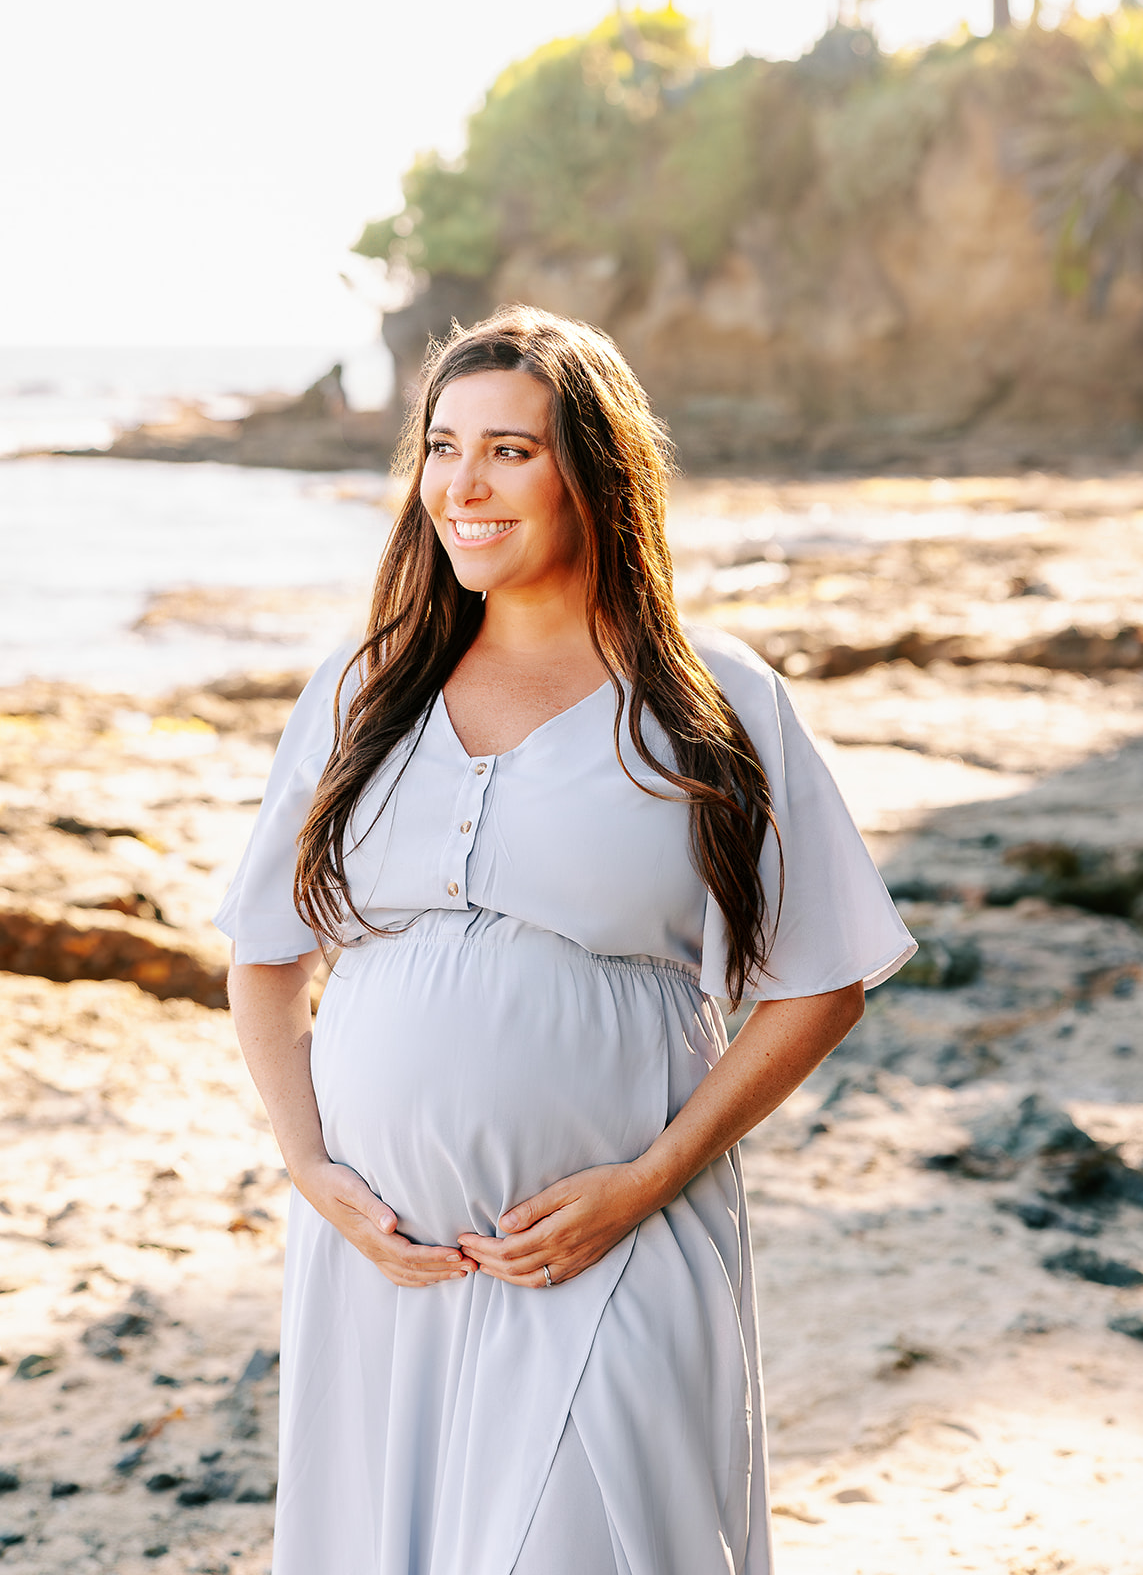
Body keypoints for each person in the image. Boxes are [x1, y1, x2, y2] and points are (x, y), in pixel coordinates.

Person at [216, 305, 915, 1575]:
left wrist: (645, 1182)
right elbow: (265, 956)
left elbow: (823, 980)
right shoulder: (360, 690)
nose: (461, 486)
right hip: (385, 1269)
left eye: (509, 452)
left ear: (594, 470)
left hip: (614, 1249)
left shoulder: (714, 701)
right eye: (441, 446)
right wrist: (313, 1169)